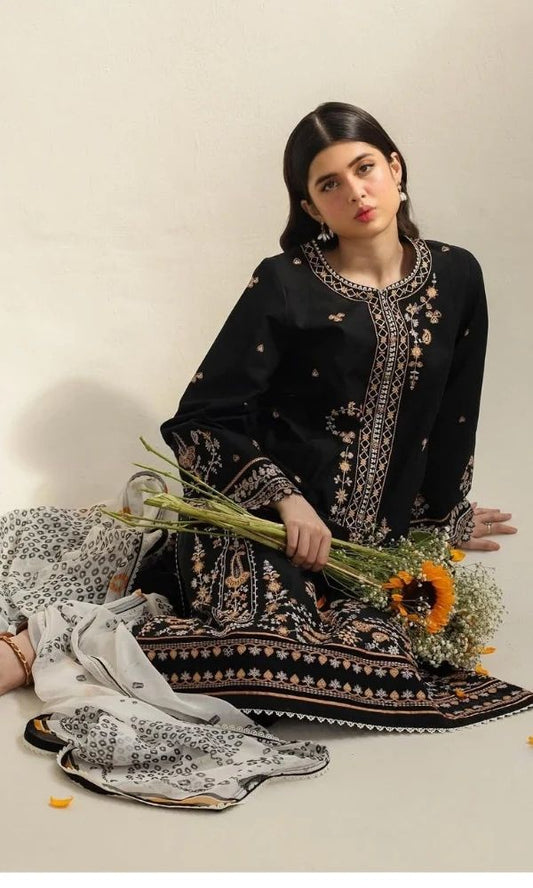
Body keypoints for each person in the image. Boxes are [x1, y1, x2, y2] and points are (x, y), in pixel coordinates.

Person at [2, 102, 532, 734]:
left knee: (382, 666)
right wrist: (284, 500)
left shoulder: (457, 274)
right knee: (266, 657)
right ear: (311, 207)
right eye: (329, 184)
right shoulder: (286, 283)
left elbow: (455, 412)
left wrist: (442, 517)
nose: (355, 192)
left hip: (364, 553)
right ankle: (54, 642)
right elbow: (202, 418)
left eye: (365, 168)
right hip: (261, 525)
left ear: (395, 168)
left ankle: (136, 622)